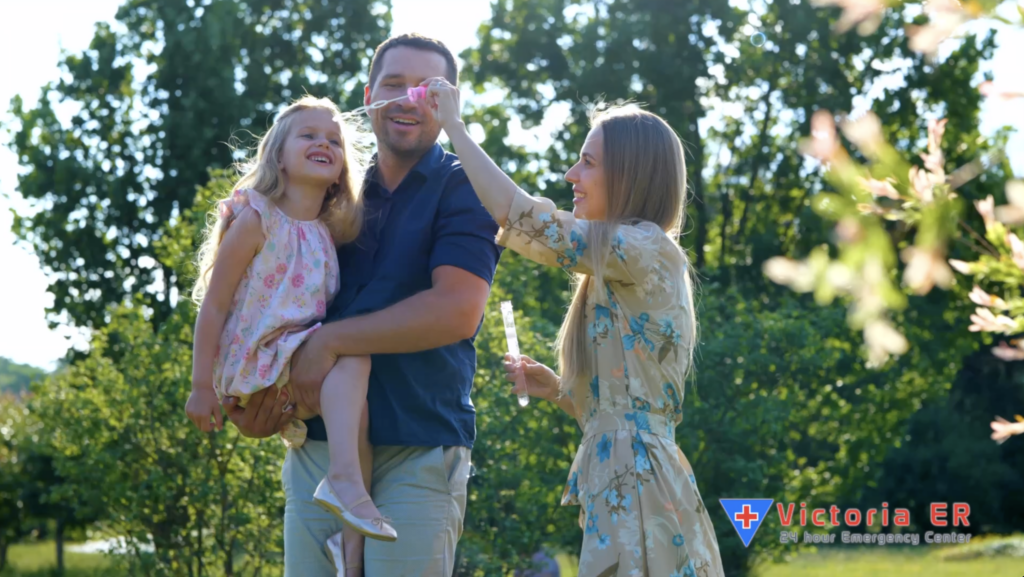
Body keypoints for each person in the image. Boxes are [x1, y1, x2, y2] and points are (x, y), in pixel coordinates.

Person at [222, 34, 502, 577]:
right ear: (369, 94)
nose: (408, 98)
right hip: (318, 446)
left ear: (450, 103)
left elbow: (457, 310)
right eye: (393, 84)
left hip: (417, 445)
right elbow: (265, 299)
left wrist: (331, 342)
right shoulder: (327, 187)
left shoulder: (467, 186)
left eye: (427, 87)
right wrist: (256, 399)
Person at [427, 80, 726, 577]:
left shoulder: (644, 248)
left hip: (641, 490)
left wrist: (454, 128)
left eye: (588, 162)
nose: (571, 174)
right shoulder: (618, 263)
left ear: (630, 175)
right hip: (633, 485)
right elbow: (620, 411)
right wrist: (562, 392)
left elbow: (523, 218)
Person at [186, 95, 396, 577]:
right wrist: (201, 386)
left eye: (334, 140)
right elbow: (215, 304)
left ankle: (351, 543)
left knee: (355, 416)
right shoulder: (257, 218)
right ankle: (342, 482)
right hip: (257, 357)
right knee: (353, 356)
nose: (323, 143)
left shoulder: (327, 230)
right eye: (309, 135)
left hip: (295, 356)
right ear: (278, 155)